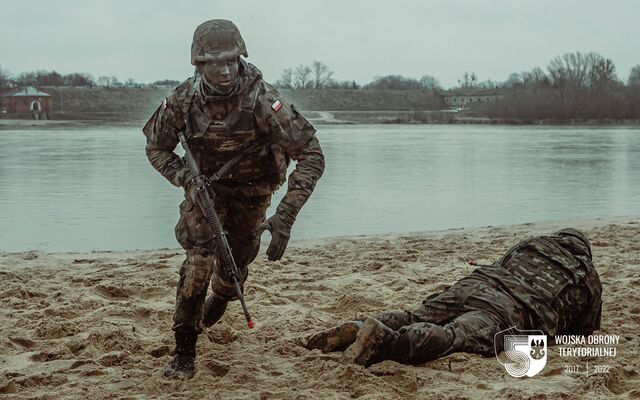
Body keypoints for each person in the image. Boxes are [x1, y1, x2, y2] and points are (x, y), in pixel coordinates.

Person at [143, 19, 324, 379]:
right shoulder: (182, 100)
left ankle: (224, 292)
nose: (225, 70)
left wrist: (285, 216)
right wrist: (185, 179)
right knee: (197, 263)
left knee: (235, 266)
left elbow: (312, 154)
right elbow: (156, 148)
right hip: (205, 192)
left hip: (253, 194)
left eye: (231, 60)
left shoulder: (264, 101)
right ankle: (184, 351)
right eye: (215, 63)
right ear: (199, 64)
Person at [305, 228, 602, 367]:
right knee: (453, 336)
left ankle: (356, 326)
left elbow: (503, 264)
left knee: (416, 315)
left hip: (474, 284)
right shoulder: (589, 278)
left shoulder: (533, 243)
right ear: (584, 252)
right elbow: (582, 331)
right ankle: (385, 342)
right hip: (509, 311)